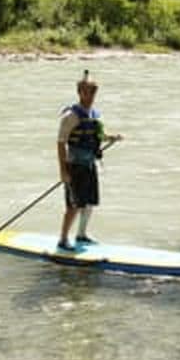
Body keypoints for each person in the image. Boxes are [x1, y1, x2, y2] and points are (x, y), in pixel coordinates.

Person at [57, 70, 122, 251]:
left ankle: (81, 235)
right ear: (79, 92)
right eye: (86, 91)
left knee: (88, 203)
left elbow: (99, 135)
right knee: (74, 205)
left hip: (89, 164)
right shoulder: (70, 116)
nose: (90, 95)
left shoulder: (95, 115)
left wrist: (112, 138)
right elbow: (61, 143)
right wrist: (63, 171)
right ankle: (63, 239)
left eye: (93, 91)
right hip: (74, 166)